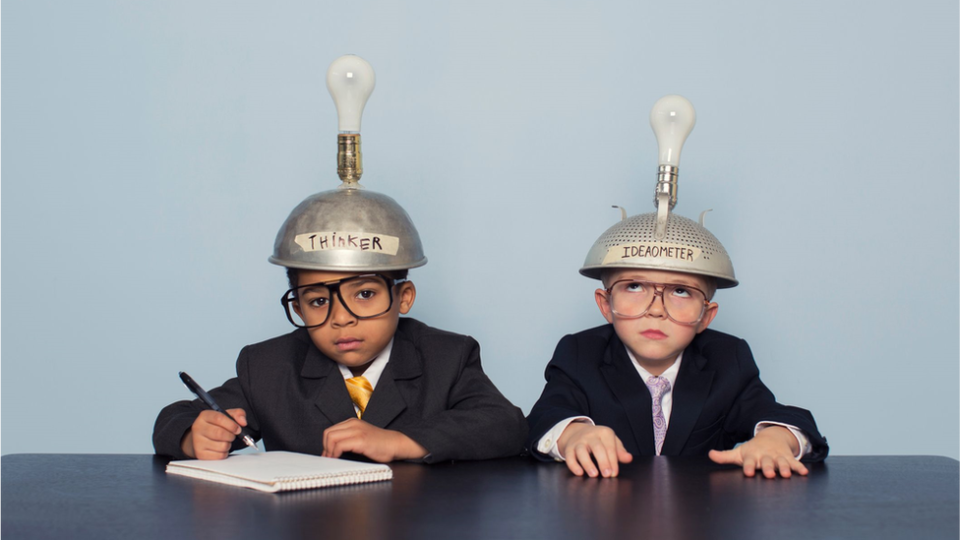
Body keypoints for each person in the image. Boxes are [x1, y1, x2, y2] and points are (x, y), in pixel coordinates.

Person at [154, 55, 526, 463]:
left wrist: (402, 441)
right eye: (317, 301)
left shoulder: (446, 358)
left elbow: (504, 425)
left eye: (364, 294)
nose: (341, 318)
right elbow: (175, 418)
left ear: (403, 297)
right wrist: (194, 434)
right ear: (296, 304)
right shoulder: (268, 367)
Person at [525, 210, 828, 479]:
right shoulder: (580, 354)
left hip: (698, 517)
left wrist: (777, 437)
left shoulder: (727, 359)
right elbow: (545, 415)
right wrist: (573, 434)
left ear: (705, 316)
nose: (656, 309)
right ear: (606, 305)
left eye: (681, 291)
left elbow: (783, 415)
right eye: (634, 286)